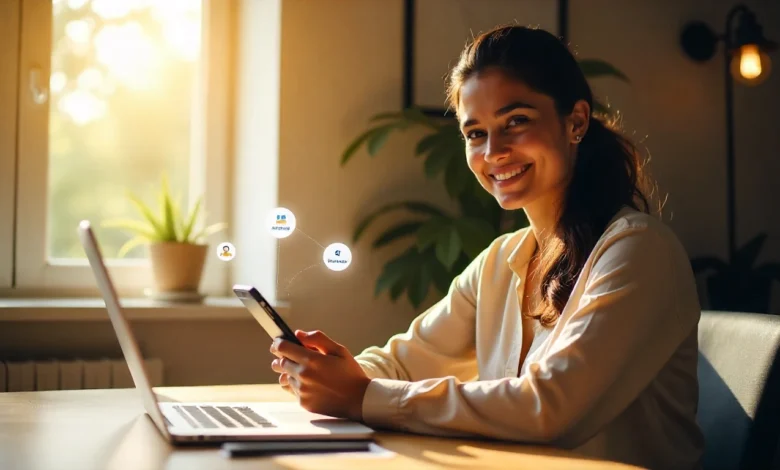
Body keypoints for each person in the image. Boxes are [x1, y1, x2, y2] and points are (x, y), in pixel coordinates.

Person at [269, 25, 704, 469]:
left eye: (516, 121)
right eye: (475, 133)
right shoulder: (501, 261)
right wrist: (330, 374)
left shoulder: (638, 250)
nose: (494, 151)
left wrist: (362, 395)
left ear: (575, 122)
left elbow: (549, 409)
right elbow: (404, 365)